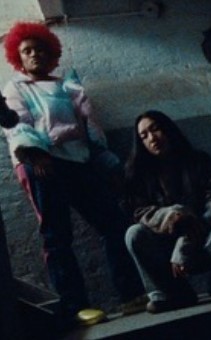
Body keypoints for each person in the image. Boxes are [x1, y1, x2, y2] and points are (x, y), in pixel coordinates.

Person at [0, 22, 145, 326]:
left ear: (52, 53)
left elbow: (90, 125)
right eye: (27, 51)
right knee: (56, 236)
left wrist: (105, 162)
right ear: (19, 58)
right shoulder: (16, 87)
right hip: (43, 163)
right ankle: (75, 305)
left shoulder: (69, 85)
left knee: (113, 223)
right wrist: (36, 154)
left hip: (81, 162)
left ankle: (132, 294)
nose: (35, 54)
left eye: (40, 48)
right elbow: (17, 124)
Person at [124, 110, 211, 313]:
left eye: (155, 129)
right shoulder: (140, 174)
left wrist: (185, 241)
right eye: (143, 135)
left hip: (206, 242)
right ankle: (172, 294)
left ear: (168, 129)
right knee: (134, 234)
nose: (151, 138)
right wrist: (174, 215)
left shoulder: (199, 161)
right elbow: (140, 213)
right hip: (168, 250)